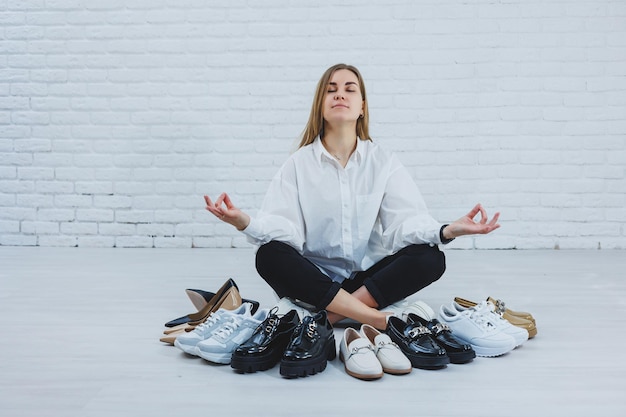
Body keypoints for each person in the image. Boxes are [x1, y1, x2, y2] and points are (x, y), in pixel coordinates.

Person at [204, 63, 500, 330]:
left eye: (349, 89)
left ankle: (322, 319)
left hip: (366, 281)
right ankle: (374, 318)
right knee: (269, 255)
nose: (340, 95)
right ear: (320, 106)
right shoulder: (298, 163)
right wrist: (244, 222)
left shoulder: (383, 161)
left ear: (362, 107)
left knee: (430, 257)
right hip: (313, 280)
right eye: (331, 90)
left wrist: (447, 230)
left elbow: (405, 225)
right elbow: (285, 230)